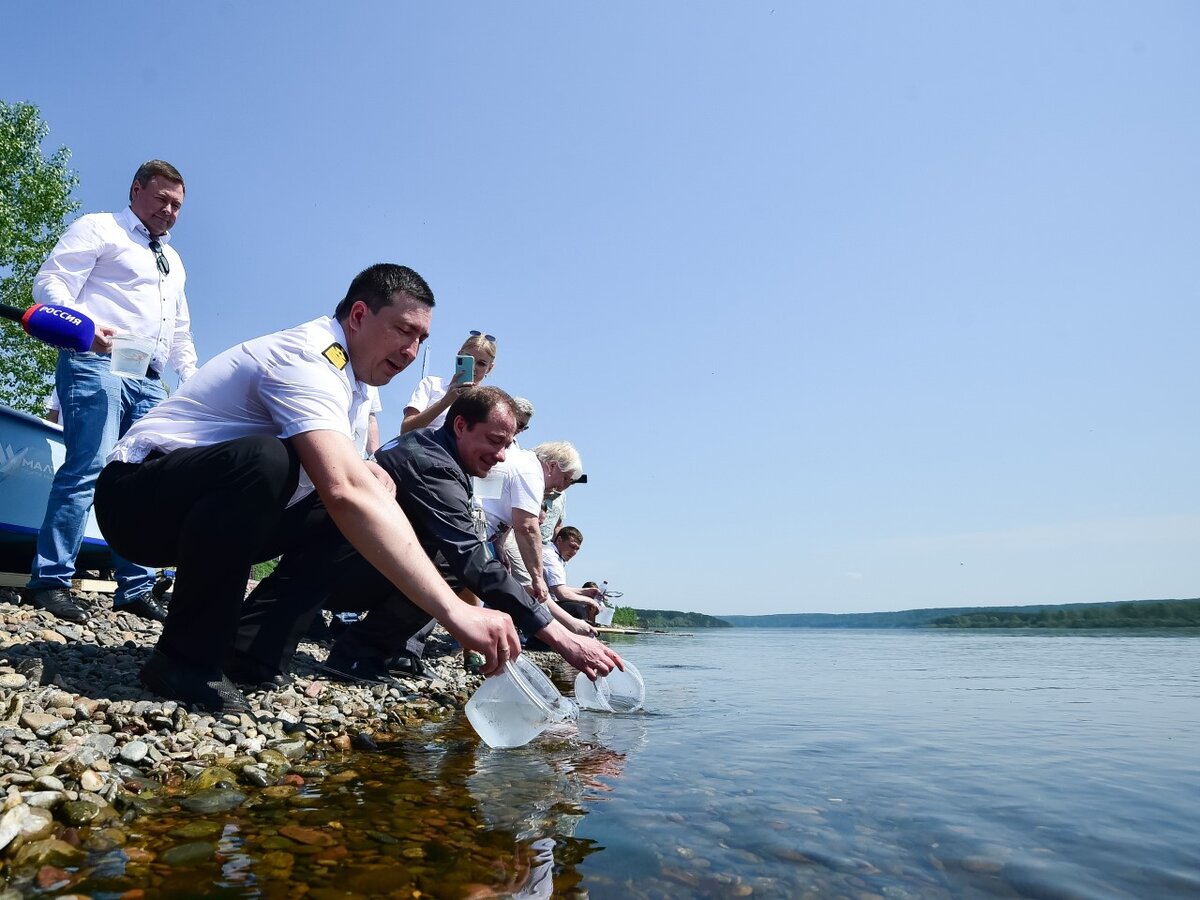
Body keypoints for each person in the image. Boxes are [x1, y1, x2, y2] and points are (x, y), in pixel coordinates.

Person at [94, 264, 523, 714]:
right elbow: (341, 489)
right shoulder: (308, 357)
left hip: (200, 513)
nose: (412, 351)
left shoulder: (353, 383)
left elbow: (354, 488)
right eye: (403, 331)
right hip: (136, 500)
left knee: (368, 495)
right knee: (271, 463)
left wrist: (368, 474)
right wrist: (455, 613)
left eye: (421, 340)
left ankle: (250, 651)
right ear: (358, 315)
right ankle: (185, 658)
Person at [230, 386, 623, 685]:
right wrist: (559, 636)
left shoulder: (448, 458)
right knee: (451, 569)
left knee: (447, 569)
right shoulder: (430, 464)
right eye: (494, 441)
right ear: (460, 425)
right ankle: (268, 639)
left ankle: (361, 652)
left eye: (507, 444)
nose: (502, 455)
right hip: (327, 571)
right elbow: (474, 559)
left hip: (354, 569)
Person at [25, 160, 198, 624]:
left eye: (177, 205)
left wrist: (192, 376)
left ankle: (136, 586)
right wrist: (80, 325)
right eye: (161, 199)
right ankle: (50, 579)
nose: (169, 211)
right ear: (136, 190)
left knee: (141, 483)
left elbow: (179, 328)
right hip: (96, 362)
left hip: (149, 378)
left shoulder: (173, 260)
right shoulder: (99, 227)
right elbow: (51, 282)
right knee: (88, 467)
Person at [401, 331, 496, 433]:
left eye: (481, 364)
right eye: (468, 359)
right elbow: (406, 429)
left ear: (489, 368)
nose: (473, 367)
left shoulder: (489, 403)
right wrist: (447, 400)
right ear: (459, 356)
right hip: (423, 446)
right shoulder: (432, 384)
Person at [543, 527, 603, 624]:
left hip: (548, 600)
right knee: (577, 610)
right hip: (541, 603)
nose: (574, 552)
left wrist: (585, 591)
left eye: (577, 549)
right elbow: (562, 594)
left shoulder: (557, 557)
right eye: (572, 546)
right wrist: (590, 601)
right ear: (559, 540)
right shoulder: (551, 558)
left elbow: (560, 588)